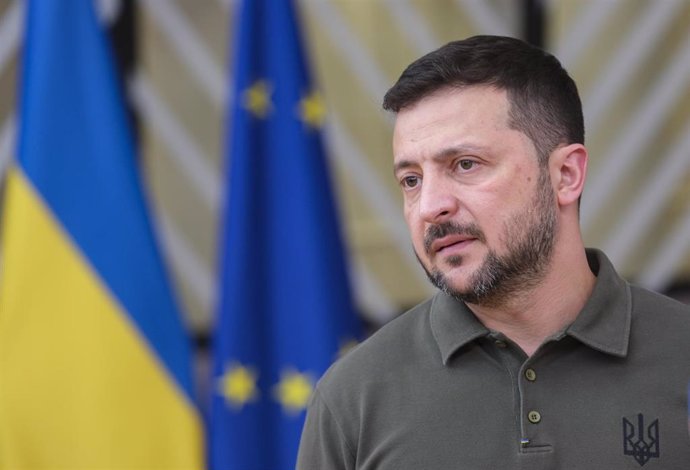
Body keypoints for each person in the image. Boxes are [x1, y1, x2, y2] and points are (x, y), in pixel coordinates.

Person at [297, 35, 690, 469]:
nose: (430, 206)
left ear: (565, 174)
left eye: (465, 164)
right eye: (411, 180)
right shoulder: (353, 398)